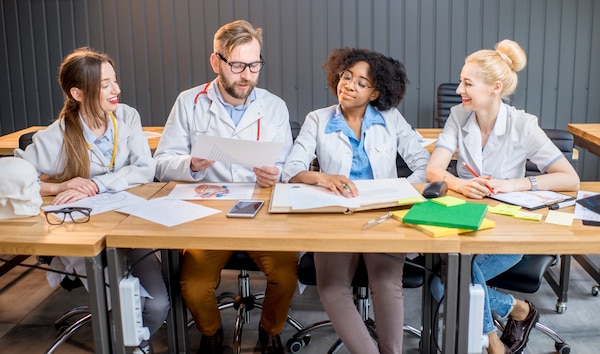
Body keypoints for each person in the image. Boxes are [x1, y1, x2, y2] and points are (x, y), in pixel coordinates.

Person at [425, 39, 580, 354]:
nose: (458, 90)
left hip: (509, 228)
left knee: (445, 283)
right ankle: (513, 316)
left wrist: (516, 184)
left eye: (467, 83)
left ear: (495, 87)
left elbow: (570, 179)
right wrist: (457, 184)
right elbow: (434, 170)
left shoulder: (523, 125)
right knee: (447, 279)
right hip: (463, 222)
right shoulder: (458, 116)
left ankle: (492, 342)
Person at [153, 19, 297, 354]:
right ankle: (212, 334)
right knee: (193, 285)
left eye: (254, 65)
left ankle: (269, 331)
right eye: (237, 65)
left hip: (263, 212)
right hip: (208, 213)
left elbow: (291, 166)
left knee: (286, 277)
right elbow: (160, 164)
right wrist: (191, 164)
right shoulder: (189, 102)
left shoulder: (273, 107)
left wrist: (276, 175)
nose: (247, 75)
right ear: (216, 61)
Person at [15, 47, 169, 354]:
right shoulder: (54, 137)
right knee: (134, 303)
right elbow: (12, 180)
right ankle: (129, 345)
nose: (117, 90)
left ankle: (130, 337)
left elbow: (144, 169)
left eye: (115, 81)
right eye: (106, 84)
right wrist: (57, 187)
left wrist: (97, 184)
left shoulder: (127, 117)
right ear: (78, 93)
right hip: (83, 235)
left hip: (130, 227)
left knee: (158, 304)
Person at [282, 47, 431, 354]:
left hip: (383, 214)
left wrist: (399, 190)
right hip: (335, 214)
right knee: (332, 287)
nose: (348, 85)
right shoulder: (318, 119)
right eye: (346, 77)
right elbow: (291, 169)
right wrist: (323, 178)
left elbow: (424, 165)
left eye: (361, 83)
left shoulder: (391, 119)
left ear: (376, 92)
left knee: (387, 282)